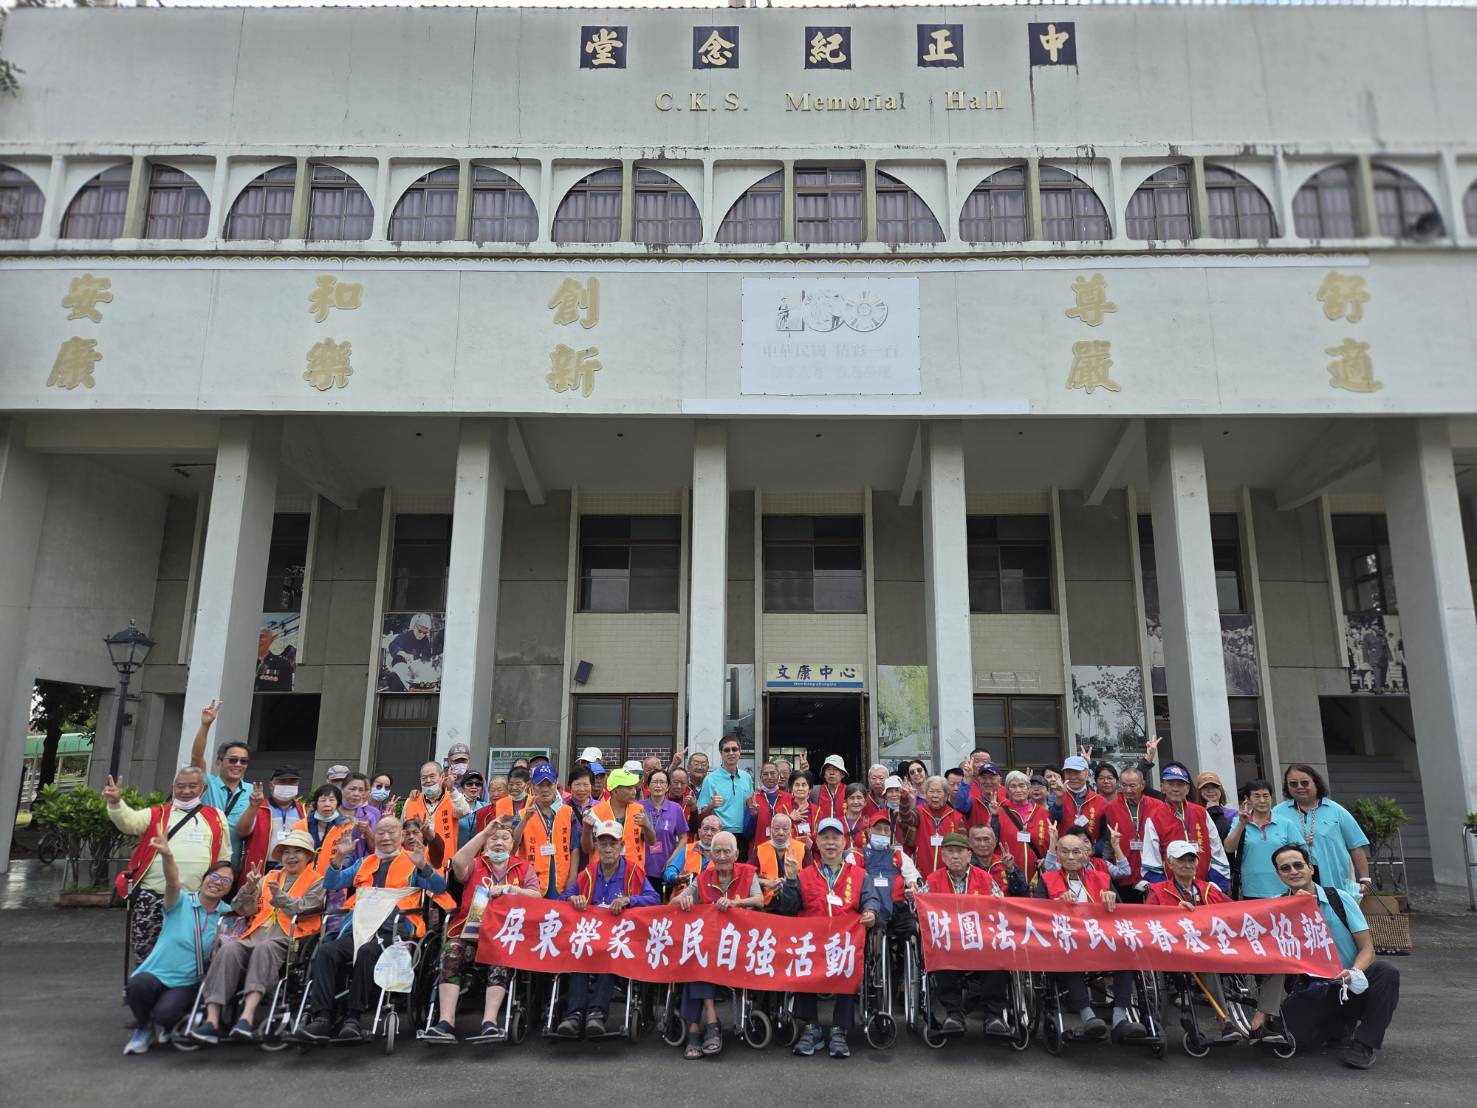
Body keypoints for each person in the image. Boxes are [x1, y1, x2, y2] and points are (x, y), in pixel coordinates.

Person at [299, 816, 448, 1042]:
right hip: (359, 928)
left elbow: (439, 887)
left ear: (401, 836)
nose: (386, 837)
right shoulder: (364, 863)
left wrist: (423, 866)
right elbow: (331, 883)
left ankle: (354, 1018)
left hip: (394, 931)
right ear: (374, 836)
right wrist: (339, 856)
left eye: (391, 832)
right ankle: (322, 1017)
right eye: (381, 833)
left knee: (368, 951)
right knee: (327, 951)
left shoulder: (412, 861)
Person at [1270, 842, 1400, 1069]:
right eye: (1286, 868)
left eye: (1298, 865)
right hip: (1314, 989)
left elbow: (1367, 949)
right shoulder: (1277, 907)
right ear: (1278, 874)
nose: (1293, 872)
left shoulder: (1339, 899)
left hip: (1350, 983)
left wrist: (1354, 972)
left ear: (1310, 868)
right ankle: (1338, 1026)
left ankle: (1364, 1044)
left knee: (1386, 972)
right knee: (1284, 1039)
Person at [193, 829, 325, 1043]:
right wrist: (249, 888)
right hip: (255, 933)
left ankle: (246, 1017)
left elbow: (305, 907)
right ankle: (211, 1020)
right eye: (287, 851)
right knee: (229, 949)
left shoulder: (317, 881)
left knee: (265, 949)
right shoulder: (269, 877)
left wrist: (280, 897)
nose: (291, 856)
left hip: (287, 938)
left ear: (309, 856)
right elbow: (243, 909)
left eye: (298, 851)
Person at [423, 819, 541, 1043]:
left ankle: (489, 1022)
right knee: (451, 952)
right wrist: (485, 832)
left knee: (500, 958)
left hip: (503, 937)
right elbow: (457, 862)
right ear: (485, 843)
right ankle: (445, 1021)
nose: (499, 842)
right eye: (494, 838)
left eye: (505, 838)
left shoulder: (523, 867)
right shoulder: (476, 864)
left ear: (512, 844)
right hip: (469, 934)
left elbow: (537, 896)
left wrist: (512, 889)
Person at [122, 834, 236, 1055]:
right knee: (137, 985)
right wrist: (167, 854)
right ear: (204, 878)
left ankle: (163, 1023)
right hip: (156, 973)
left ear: (229, 889)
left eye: (225, 881)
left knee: (166, 1013)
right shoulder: (181, 901)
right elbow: (173, 880)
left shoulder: (228, 915)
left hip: (187, 982)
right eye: (214, 876)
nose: (217, 883)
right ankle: (143, 1028)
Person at [779, 817, 880, 1059]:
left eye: (836, 838)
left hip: (844, 941)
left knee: (848, 963)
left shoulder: (860, 874)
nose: (831, 843)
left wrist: (871, 912)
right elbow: (789, 909)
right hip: (812, 943)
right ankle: (811, 1028)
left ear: (844, 842)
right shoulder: (804, 874)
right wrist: (791, 881)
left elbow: (871, 899)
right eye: (825, 838)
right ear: (818, 843)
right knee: (803, 964)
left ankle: (839, 1030)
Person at [106, 767, 230, 963]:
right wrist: (115, 803)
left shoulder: (216, 816)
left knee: (188, 954)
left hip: (194, 900)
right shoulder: (157, 813)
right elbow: (129, 822)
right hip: (153, 896)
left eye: (192, 786)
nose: (186, 791)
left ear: (203, 788)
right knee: (146, 954)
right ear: (173, 787)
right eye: (180, 786)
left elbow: (224, 857)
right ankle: (146, 990)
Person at [1037, 830, 1144, 1043]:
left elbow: (1123, 915)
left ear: (1087, 854)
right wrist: (1054, 905)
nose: (1070, 857)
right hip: (1067, 941)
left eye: (1076, 852)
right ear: (1056, 855)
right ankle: (1088, 1016)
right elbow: (1037, 914)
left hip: (1100, 939)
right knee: (1069, 951)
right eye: (1065, 852)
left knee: (1127, 951)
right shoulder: (1048, 880)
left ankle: (1120, 1018)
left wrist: (1112, 899)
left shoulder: (1102, 878)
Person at [557, 819, 660, 1037]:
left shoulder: (634, 872)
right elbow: (562, 900)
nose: (608, 848)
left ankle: (596, 1013)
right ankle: (575, 1014)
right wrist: (573, 898)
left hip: (619, 940)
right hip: (590, 939)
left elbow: (654, 899)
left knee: (609, 954)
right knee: (578, 953)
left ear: (622, 845)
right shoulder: (588, 873)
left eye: (613, 843)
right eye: (603, 843)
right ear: (596, 846)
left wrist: (630, 900)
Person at [672, 830, 764, 1058]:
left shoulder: (748, 873)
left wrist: (735, 903)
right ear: (711, 854)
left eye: (726, 851)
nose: (722, 856)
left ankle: (695, 1027)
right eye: (717, 851)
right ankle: (710, 1019)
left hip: (739, 944)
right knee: (697, 955)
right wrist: (682, 898)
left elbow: (760, 900)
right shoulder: (704, 877)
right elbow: (674, 902)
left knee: (700, 957)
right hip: (710, 945)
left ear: (736, 854)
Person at [1144, 840, 1241, 1043]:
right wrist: (1172, 913)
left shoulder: (1209, 889)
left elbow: (1236, 912)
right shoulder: (1158, 891)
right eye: (1181, 860)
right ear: (1169, 864)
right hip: (1177, 949)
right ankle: (1225, 1021)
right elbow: (1148, 921)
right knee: (1207, 963)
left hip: (1214, 946)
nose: (1187, 864)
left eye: (1191, 860)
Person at [923, 832, 1011, 1035]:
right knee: (939, 954)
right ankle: (954, 1014)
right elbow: (922, 910)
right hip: (949, 941)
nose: (955, 857)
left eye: (960, 852)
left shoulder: (986, 879)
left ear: (969, 855)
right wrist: (913, 896)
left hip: (981, 939)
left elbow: (1001, 908)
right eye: (950, 852)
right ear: (943, 857)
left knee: (1000, 955)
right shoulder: (933, 880)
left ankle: (994, 1016)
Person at [1277, 764, 1371, 898]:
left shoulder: (1336, 811)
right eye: (1293, 784)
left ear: (1316, 783)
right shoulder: (1278, 812)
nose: (1299, 787)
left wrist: (1365, 879)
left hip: (1333, 880)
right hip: (1294, 881)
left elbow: (1356, 845)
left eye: (1304, 783)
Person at [1139, 762, 1231, 892]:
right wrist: (1168, 891)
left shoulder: (1201, 813)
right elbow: (1151, 862)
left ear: (1187, 789)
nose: (1176, 789)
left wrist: (1212, 888)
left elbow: (1218, 853)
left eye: (1180, 784)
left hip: (1204, 889)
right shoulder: (1154, 817)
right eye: (1171, 784)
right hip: (1172, 892)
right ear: (1162, 787)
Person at [186, 699, 252, 865]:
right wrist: (206, 725)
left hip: (233, 865)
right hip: (202, 860)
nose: (238, 765)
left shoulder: (252, 791)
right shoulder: (207, 783)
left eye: (243, 761)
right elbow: (196, 757)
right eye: (233, 760)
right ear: (219, 762)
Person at [1224, 777, 1298, 911]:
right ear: (1248, 799)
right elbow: (1229, 848)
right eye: (1257, 796)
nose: (1262, 801)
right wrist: (1241, 824)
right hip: (1250, 890)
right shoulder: (1238, 821)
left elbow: (1298, 854)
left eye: (1266, 796)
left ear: (1271, 798)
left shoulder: (1285, 823)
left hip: (1283, 888)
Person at [510, 764, 577, 898]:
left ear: (556, 784)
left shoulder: (568, 812)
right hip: (531, 882)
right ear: (533, 786)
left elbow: (574, 847)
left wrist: (572, 878)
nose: (545, 789)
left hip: (561, 880)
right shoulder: (522, 814)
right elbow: (512, 847)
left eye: (549, 784)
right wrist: (525, 821)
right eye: (540, 785)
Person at [1100, 766, 1164, 903]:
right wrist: (1105, 868)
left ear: (1142, 785)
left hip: (1154, 872)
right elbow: (1107, 841)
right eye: (1124, 785)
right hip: (1125, 872)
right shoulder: (1111, 807)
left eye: (1133, 786)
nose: (1128, 790)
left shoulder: (1158, 805)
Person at [859, 810, 920, 952]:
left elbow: (912, 875)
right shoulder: (858, 855)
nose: (882, 833)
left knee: (911, 927)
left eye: (886, 830)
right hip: (872, 908)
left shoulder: (898, 854)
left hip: (898, 905)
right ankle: (877, 965)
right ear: (869, 832)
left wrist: (912, 885)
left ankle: (902, 962)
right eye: (878, 829)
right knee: (877, 929)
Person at [236, 765, 305, 876]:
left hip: (294, 869)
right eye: (282, 782)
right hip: (262, 869)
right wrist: (253, 807)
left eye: (292, 782)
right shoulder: (259, 807)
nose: (287, 785)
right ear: (271, 784)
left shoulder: (304, 811)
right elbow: (241, 832)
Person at [696, 735, 755, 855]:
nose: (731, 753)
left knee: (739, 872)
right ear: (721, 753)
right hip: (719, 835)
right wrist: (711, 806)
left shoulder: (746, 778)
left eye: (734, 749)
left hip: (743, 836)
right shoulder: (710, 779)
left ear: (739, 752)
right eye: (727, 750)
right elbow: (701, 815)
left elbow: (750, 808)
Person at [993, 770, 1053, 887]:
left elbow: (1053, 843)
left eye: (1022, 786)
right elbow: (992, 841)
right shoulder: (1000, 812)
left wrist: (1048, 860)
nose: (1018, 790)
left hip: (1038, 874)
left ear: (1028, 788)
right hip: (1007, 872)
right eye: (1013, 786)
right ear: (1008, 791)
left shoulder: (1044, 813)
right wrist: (994, 817)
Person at [586, 767, 656, 868]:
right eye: (629, 788)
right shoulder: (595, 813)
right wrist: (586, 830)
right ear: (615, 791)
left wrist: (647, 826)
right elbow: (588, 848)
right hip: (603, 873)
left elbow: (652, 841)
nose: (634, 791)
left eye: (634, 787)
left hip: (633, 873)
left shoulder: (640, 810)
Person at [402, 760, 471, 861]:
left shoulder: (452, 798)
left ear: (442, 777)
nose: (428, 780)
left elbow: (464, 811)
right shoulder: (411, 800)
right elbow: (402, 831)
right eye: (424, 778)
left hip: (444, 864)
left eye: (432, 776)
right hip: (413, 862)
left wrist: (452, 790)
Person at [909, 775, 966, 881]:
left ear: (946, 795)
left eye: (939, 792)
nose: (935, 795)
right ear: (925, 794)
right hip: (921, 874)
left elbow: (963, 848)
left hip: (949, 876)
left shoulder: (957, 817)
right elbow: (905, 820)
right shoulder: (918, 812)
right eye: (931, 791)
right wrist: (904, 801)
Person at [641, 769, 687, 893]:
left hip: (667, 867)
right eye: (655, 782)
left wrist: (673, 859)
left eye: (662, 782)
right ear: (647, 786)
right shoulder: (638, 807)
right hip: (643, 867)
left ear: (667, 787)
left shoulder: (675, 809)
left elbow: (684, 837)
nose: (658, 785)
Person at [292, 783, 354, 873]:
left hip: (332, 879)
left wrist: (335, 873)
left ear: (338, 804)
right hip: (303, 878)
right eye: (323, 800)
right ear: (315, 803)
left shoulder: (347, 826)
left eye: (332, 800)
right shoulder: (300, 826)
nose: (327, 804)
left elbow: (347, 858)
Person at [1057, 755, 1110, 848]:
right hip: (1063, 855)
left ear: (1087, 773)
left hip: (1090, 856)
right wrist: (1058, 800)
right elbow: (1052, 820)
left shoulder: (1101, 801)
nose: (1073, 777)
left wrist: (1094, 850)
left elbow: (1105, 835)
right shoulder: (1056, 797)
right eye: (1068, 773)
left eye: (1077, 772)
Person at [756, 811, 806, 908]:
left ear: (791, 832)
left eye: (785, 829)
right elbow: (748, 877)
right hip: (768, 904)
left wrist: (791, 884)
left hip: (795, 903)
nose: (781, 833)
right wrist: (767, 883)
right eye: (777, 829)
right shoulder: (760, 850)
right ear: (770, 830)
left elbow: (811, 879)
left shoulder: (802, 849)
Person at [664, 813, 721, 891]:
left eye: (713, 830)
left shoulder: (724, 853)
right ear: (699, 831)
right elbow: (669, 871)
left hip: (713, 897)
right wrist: (676, 878)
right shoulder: (687, 849)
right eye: (705, 829)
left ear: (720, 833)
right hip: (686, 896)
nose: (708, 833)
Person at [969, 822, 1027, 896]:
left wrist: (1011, 870)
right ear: (970, 842)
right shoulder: (965, 866)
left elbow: (1023, 892)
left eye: (986, 839)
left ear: (995, 841)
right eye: (978, 840)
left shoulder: (1005, 863)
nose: (982, 844)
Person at [746, 760, 790, 859]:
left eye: (773, 773)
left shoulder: (789, 798)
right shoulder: (752, 799)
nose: (769, 777)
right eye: (765, 774)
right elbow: (747, 834)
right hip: (759, 852)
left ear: (778, 776)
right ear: (761, 778)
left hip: (785, 852)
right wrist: (754, 817)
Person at [383, 612, 437, 691]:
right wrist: (403, 654)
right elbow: (392, 645)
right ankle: (411, 689)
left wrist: (423, 663)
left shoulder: (425, 640)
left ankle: (426, 688)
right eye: (420, 631)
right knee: (402, 671)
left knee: (426, 673)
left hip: (414, 664)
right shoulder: (406, 635)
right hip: (400, 662)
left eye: (425, 633)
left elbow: (427, 657)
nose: (421, 634)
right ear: (414, 627)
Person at [340, 773, 380, 860]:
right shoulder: (332, 812)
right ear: (342, 789)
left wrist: (367, 831)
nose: (356, 793)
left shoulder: (368, 816)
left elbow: (375, 850)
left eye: (361, 790)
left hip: (357, 868)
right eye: (352, 789)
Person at [1195, 772, 1238, 843]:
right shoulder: (1195, 814)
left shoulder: (1234, 814)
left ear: (1220, 789)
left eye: (1214, 786)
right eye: (1205, 787)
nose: (1210, 790)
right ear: (1199, 792)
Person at [787, 771, 820, 854]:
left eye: (804, 785)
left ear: (810, 789)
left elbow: (823, 840)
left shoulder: (817, 811)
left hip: (812, 857)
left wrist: (811, 838)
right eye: (797, 785)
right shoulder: (783, 809)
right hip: (789, 855)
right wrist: (789, 819)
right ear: (791, 788)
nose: (800, 788)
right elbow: (776, 835)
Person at [256, 623, 294, 692]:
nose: (258, 639)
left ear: (271, 640)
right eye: (256, 636)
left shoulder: (282, 663)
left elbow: (285, 691)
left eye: (262, 636)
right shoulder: (244, 663)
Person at [456, 771, 489, 849]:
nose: (474, 786)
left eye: (478, 784)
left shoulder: (486, 807)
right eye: (469, 784)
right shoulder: (454, 806)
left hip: (477, 855)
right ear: (462, 787)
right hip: (455, 854)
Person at [814, 753, 848, 822]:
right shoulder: (815, 792)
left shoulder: (849, 791)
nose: (831, 773)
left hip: (844, 832)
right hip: (821, 832)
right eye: (828, 769)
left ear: (843, 774)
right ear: (824, 774)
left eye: (835, 769)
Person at [838, 782, 870, 848]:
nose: (855, 802)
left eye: (859, 798)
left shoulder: (870, 824)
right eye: (852, 798)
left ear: (865, 802)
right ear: (845, 801)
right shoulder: (837, 823)